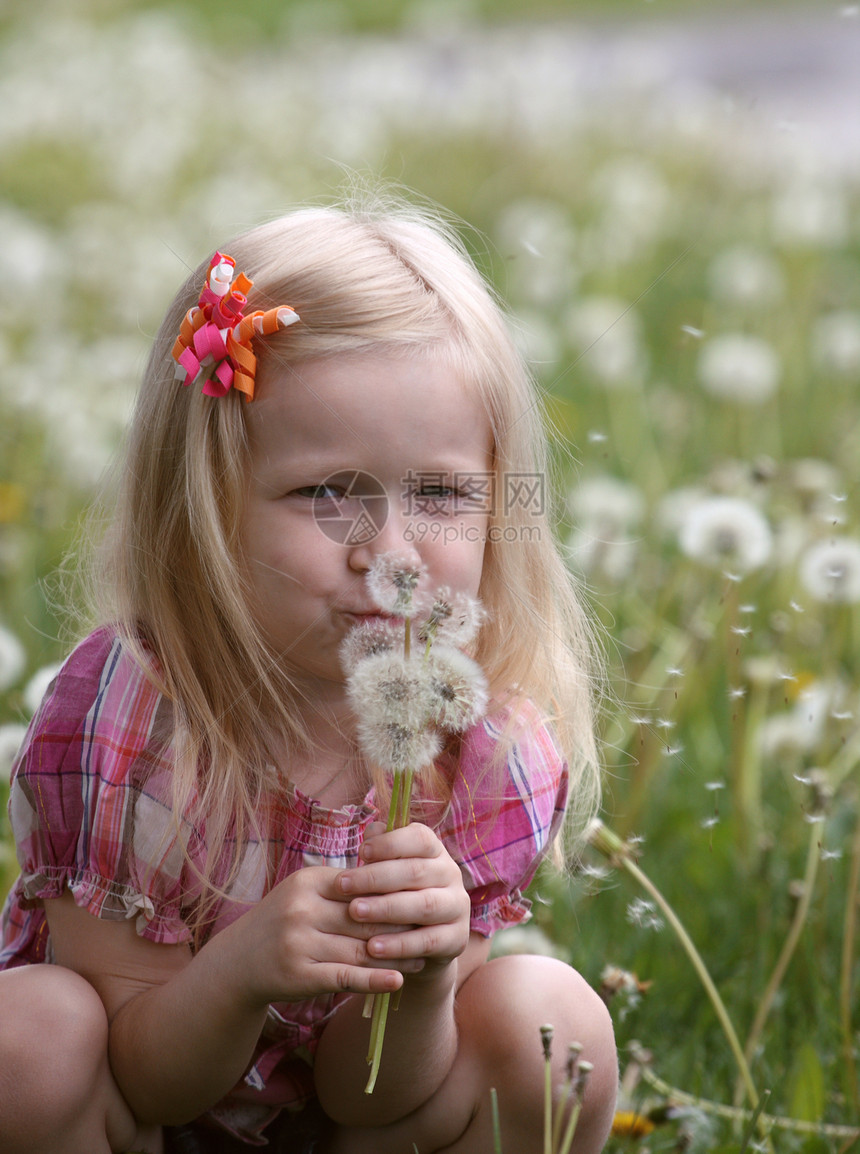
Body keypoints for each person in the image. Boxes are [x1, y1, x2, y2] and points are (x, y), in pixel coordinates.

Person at [0, 196, 617, 1153]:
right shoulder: (134, 722)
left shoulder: (485, 750)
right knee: (30, 1040)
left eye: (444, 493)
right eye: (328, 492)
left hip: (342, 1130)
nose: (393, 551)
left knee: (549, 1026)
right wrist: (241, 971)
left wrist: (420, 982)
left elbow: (373, 1100)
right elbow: (144, 1081)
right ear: (203, 508)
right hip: (141, 1113)